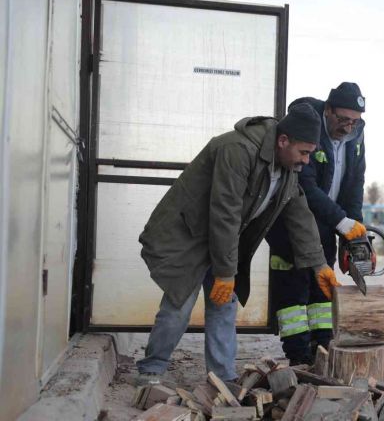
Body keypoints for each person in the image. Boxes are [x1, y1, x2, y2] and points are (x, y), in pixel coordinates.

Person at [135, 103, 340, 384]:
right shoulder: (238, 150)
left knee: (224, 307)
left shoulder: (286, 167)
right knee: (178, 306)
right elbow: (225, 212)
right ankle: (151, 369)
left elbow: (299, 215)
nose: (306, 160)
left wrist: (319, 265)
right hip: (189, 236)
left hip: (223, 240)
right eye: (303, 152)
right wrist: (225, 272)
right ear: (283, 141)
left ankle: (222, 378)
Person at [266, 82, 367, 365]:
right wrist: (341, 221)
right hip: (292, 228)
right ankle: (298, 357)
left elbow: (354, 184)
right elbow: (303, 186)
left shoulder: (355, 138)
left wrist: (354, 231)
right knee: (293, 297)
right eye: (343, 119)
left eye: (355, 122)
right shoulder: (309, 129)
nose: (348, 127)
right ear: (328, 110)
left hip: (328, 226)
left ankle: (321, 352)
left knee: (322, 293)